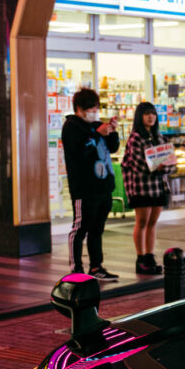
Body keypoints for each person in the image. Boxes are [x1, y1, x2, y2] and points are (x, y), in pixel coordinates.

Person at [62, 88, 120, 281]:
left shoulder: (96, 125)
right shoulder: (71, 127)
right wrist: (97, 134)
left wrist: (112, 131)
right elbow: (81, 151)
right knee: (80, 228)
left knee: (97, 228)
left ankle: (96, 267)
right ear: (80, 108)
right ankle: (76, 269)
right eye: (91, 108)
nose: (95, 111)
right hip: (83, 188)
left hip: (103, 187)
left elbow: (112, 148)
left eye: (96, 108)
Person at [122, 102, 178, 275]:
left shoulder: (160, 138)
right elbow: (139, 164)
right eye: (146, 114)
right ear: (140, 116)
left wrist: (164, 166)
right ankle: (141, 259)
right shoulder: (135, 139)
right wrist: (159, 166)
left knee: (153, 223)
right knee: (142, 222)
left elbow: (171, 163)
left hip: (158, 187)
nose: (151, 117)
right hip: (141, 187)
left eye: (153, 114)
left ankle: (150, 255)